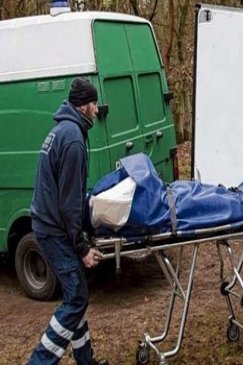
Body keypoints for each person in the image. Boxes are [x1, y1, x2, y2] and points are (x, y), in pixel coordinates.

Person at [28, 78, 108, 365]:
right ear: (84, 105)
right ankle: (38, 362)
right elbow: (69, 201)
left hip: (49, 224)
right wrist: (82, 246)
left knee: (78, 295)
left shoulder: (62, 130)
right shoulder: (72, 139)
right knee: (76, 299)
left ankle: (85, 360)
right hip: (54, 230)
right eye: (94, 104)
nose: (97, 110)